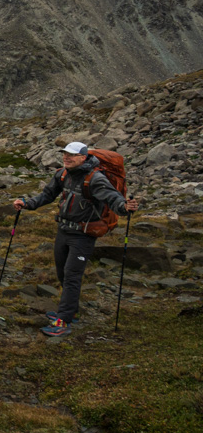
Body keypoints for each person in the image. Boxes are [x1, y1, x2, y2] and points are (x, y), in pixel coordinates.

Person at [13, 142, 138, 337]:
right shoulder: (62, 174)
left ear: (83, 157)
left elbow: (112, 197)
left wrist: (124, 207)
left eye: (71, 155)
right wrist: (27, 203)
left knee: (72, 276)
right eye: (64, 154)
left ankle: (64, 320)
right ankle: (71, 310)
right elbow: (47, 195)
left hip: (83, 235)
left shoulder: (95, 178)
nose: (66, 158)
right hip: (63, 231)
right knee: (62, 273)